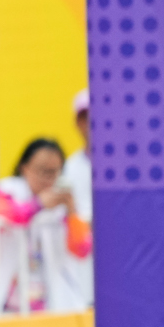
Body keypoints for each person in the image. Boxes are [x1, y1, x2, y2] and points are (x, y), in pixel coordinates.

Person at [0, 139, 92, 315]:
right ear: (24, 167)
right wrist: (37, 205)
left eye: (54, 172)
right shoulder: (7, 190)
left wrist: (72, 211)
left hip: (53, 305)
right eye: (42, 171)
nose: (48, 179)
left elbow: (82, 248)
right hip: (6, 304)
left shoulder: (64, 206)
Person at [58, 89, 95, 306]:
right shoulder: (68, 169)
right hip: (83, 270)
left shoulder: (130, 168)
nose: (92, 124)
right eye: (86, 118)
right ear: (78, 123)